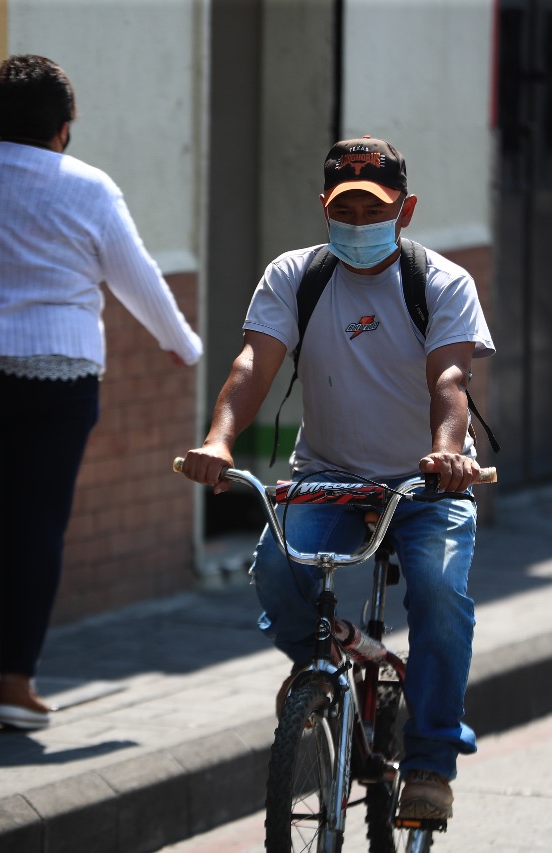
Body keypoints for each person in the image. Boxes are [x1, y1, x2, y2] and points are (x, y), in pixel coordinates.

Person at [0, 55, 202, 731]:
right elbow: (136, 276)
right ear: (65, 127)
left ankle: (9, 664)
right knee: (40, 523)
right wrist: (185, 345)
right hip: (61, 379)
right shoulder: (91, 187)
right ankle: (16, 677)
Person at [179, 136, 494, 820]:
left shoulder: (441, 282)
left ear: (404, 210)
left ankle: (431, 761)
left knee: (440, 594)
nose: (356, 223)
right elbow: (249, 368)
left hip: (425, 484)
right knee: (276, 569)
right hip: (329, 476)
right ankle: (323, 672)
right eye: (344, 207)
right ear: (324, 205)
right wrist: (218, 440)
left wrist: (447, 450)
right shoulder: (295, 276)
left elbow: (450, 377)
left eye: (372, 207)